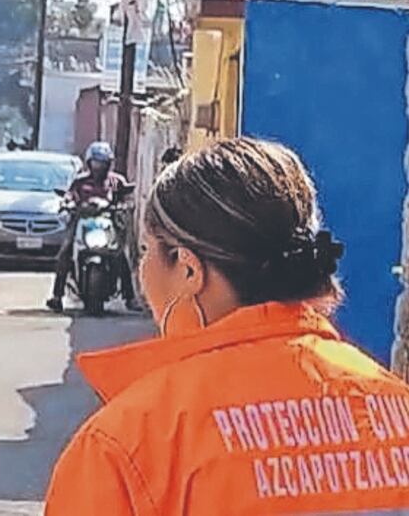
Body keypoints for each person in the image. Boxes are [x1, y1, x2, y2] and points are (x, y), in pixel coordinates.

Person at [43, 138, 409, 515]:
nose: (142, 270)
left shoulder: (127, 444)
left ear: (188, 270)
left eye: (146, 251)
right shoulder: (398, 408)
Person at [46, 141, 141, 313]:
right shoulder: (80, 181)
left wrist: (125, 204)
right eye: (96, 163)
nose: (99, 167)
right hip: (82, 221)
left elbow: (126, 197)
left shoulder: (115, 181)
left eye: (103, 163)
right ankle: (57, 296)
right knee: (65, 252)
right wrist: (67, 203)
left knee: (120, 255)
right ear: (89, 163)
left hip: (107, 222)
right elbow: (69, 195)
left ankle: (130, 298)